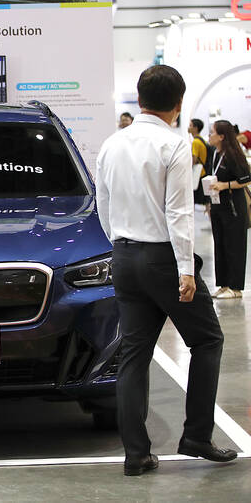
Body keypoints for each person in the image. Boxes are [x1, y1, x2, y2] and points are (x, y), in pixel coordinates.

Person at [96, 65, 235, 477]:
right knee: (207, 340)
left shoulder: (111, 144)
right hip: (163, 259)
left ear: (139, 100)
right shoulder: (173, 145)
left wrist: (120, 245)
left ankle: (136, 454)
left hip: (123, 256)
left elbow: (103, 206)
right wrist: (186, 269)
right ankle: (196, 436)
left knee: (133, 355)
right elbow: (179, 213)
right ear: (178, 104)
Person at [205, 119, 251, 299]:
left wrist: (225, 185)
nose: (209, 136)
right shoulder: (215, 153)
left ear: (222, 136)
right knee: (220, 245)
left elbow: (246, 179)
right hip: (218, 205)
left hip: (233, 207)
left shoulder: (233, 153)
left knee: (234, 246)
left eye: (212, 132)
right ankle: (223, 285)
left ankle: (236, 287)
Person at [188, 118, 211, 206]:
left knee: (195, 200)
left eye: (190, 125)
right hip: (204, 171)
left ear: (196, 128)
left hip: (198, 174)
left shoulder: (195, 142)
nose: (188, 127)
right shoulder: (202, 139)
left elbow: (194, 160)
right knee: (206, 200)